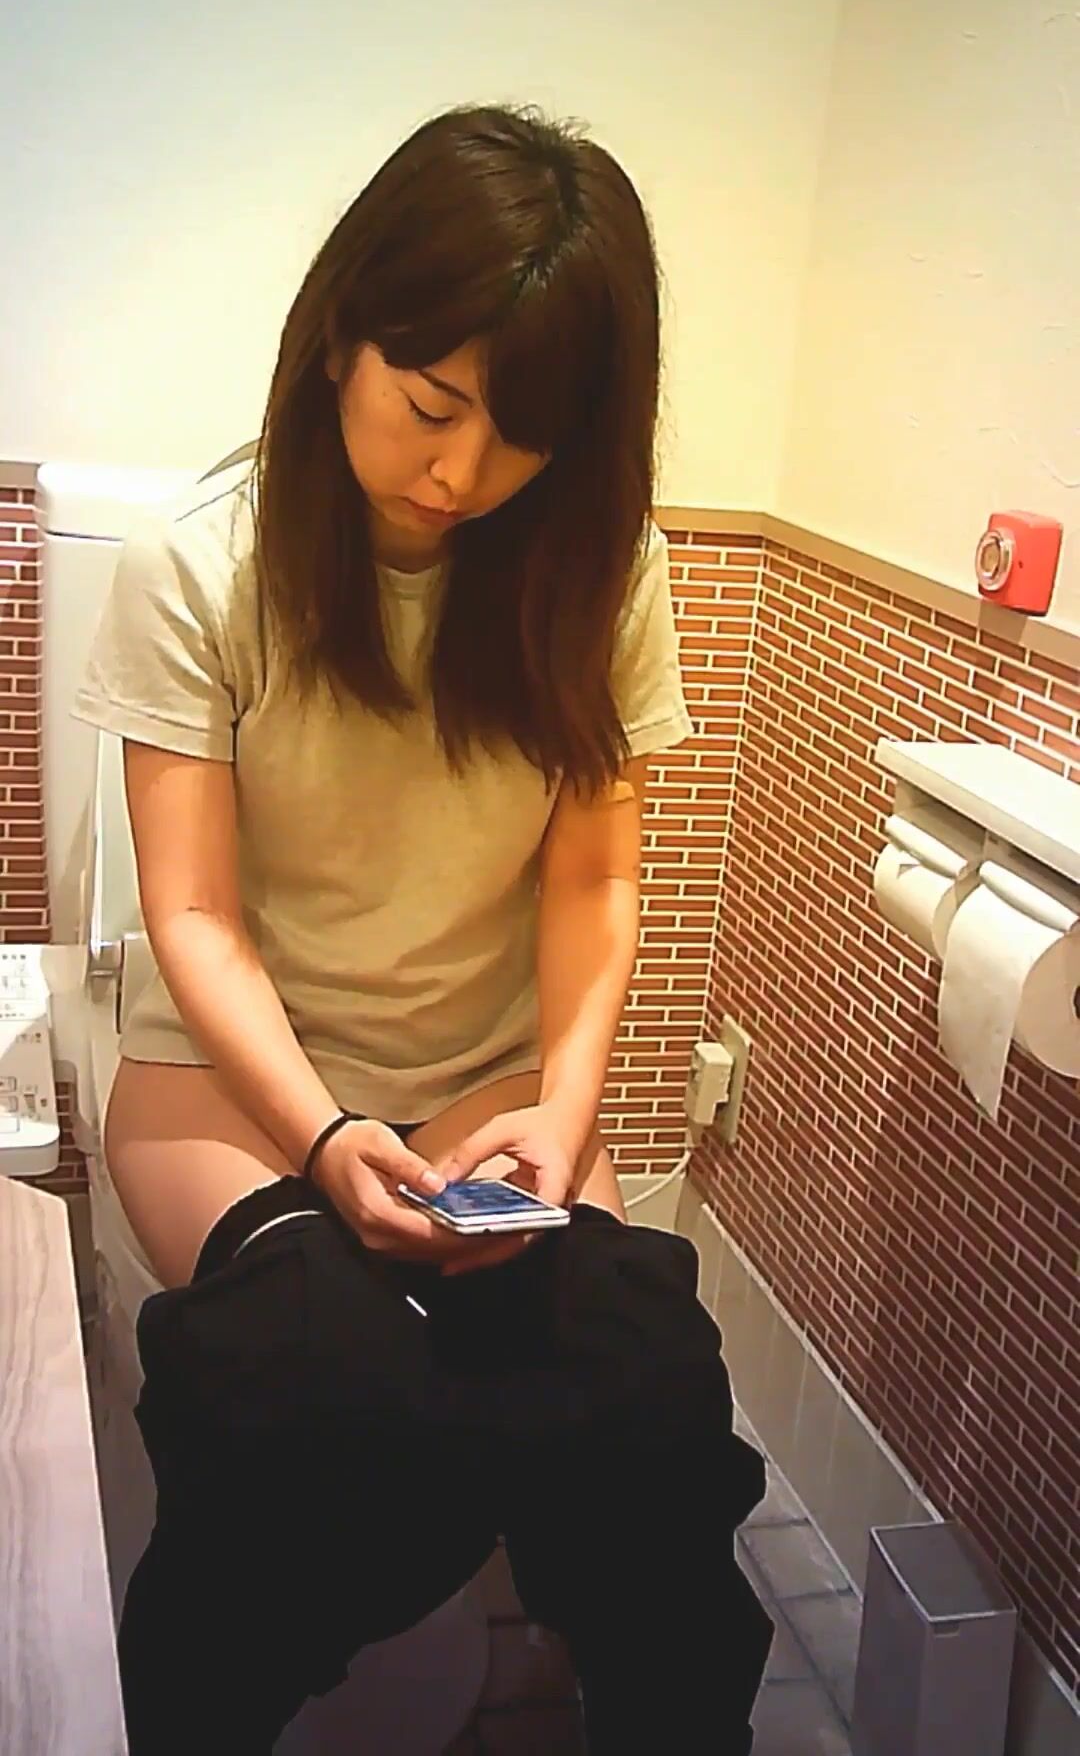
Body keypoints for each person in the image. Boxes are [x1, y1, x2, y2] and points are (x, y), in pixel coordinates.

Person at [74, 102, 773, 1754]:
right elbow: (192, 910)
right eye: (432, 406)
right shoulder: (199, 563)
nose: (460, 474)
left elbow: (593, 881)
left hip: (486, 1086)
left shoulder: (597, 571)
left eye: (521, 437)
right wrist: (324, 1142)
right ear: (342, 338)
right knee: (315, 1414)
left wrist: (566, 1114)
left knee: (652, 1416)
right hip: (234, 1095)